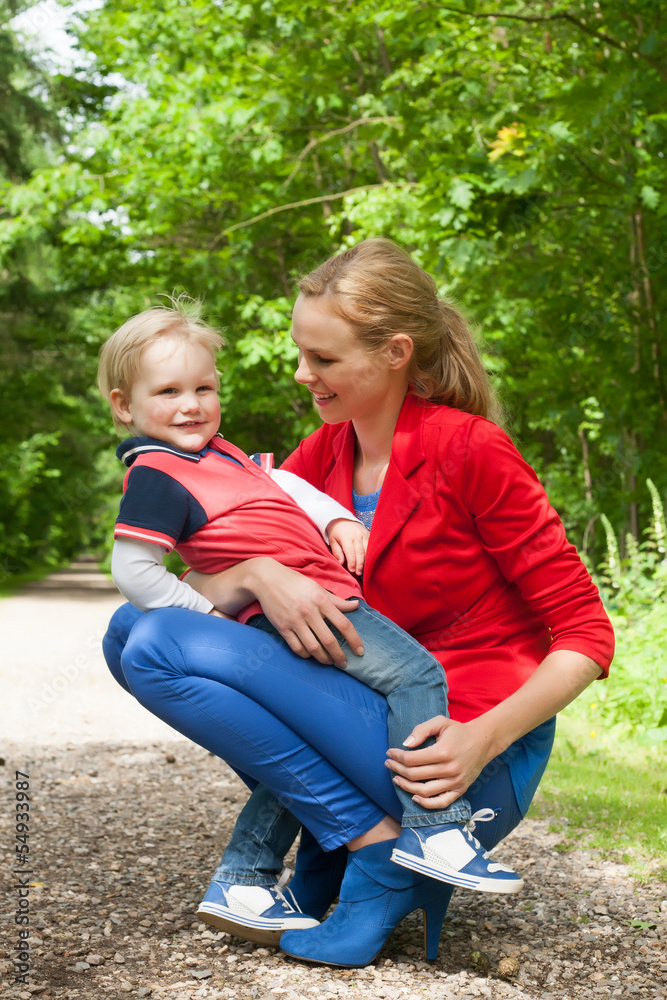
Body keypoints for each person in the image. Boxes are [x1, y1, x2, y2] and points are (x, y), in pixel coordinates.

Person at [103, 238, 614, 969]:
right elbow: (207, 590)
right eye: (301, 352)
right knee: (133, 633)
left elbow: (587, 634)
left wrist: (483, 740)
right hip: (360, 723)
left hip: (458, 756)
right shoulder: (318, 459)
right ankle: (357, 836)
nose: (300, 373)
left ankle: (383, 854)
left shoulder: (470, 450)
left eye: (323, 359)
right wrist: (256, 572)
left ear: (395, 353)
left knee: (154, 642)